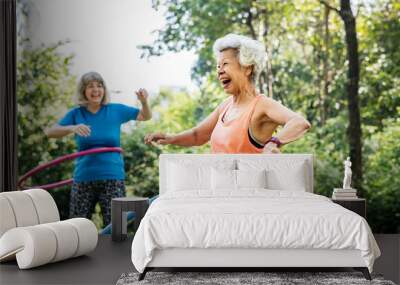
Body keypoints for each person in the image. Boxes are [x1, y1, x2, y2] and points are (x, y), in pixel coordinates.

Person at [145, 34, 310, 153]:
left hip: (247, 194)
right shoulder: (225, 106)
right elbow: (198, 135)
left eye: (225, 64)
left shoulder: (262, 105)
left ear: (247, 68)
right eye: (218, 66)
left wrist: (274, 143)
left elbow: (299, 123)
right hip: (220, 192)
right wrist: (169, 138)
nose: (219, 71)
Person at [46, 71, 151, 226]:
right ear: (83, 91)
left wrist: (144, 102)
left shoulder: (115, 110)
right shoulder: (76, 114)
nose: (96, 90)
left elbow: (145, 116)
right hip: (83, 178)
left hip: (112, 178)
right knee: (76, 227)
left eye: (99, 85)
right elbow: (50, 132)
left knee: (117, 227)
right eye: (90, 86)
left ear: (104, 89)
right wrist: (72, 128)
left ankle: (117, 251)